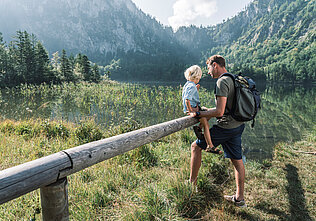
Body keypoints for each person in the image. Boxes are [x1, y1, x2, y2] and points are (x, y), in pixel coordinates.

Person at [189, 55, 247, 207]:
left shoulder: (222, 81)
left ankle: (191, 186)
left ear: (215, 65)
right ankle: (239, 199)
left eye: (208, 68)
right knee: (237, 160)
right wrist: (208, 111)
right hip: (238, 125)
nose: (208, 72)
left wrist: (199, 114)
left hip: (226, 127)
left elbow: (220, 112)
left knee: (195, 147)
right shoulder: (233, 78)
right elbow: (227, 108)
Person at [182, 65, 220, 154]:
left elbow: (190, 97)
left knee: (208, 112)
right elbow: (187, 99)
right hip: (194, 109)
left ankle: (199, 128)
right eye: (199, 78)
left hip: (195, 107)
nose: (199, 79)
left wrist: (196, 90)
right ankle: (210, 146)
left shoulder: (188, 84)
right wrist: (191, 111)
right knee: (206, 123)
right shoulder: (191, 86)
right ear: (196, 76)